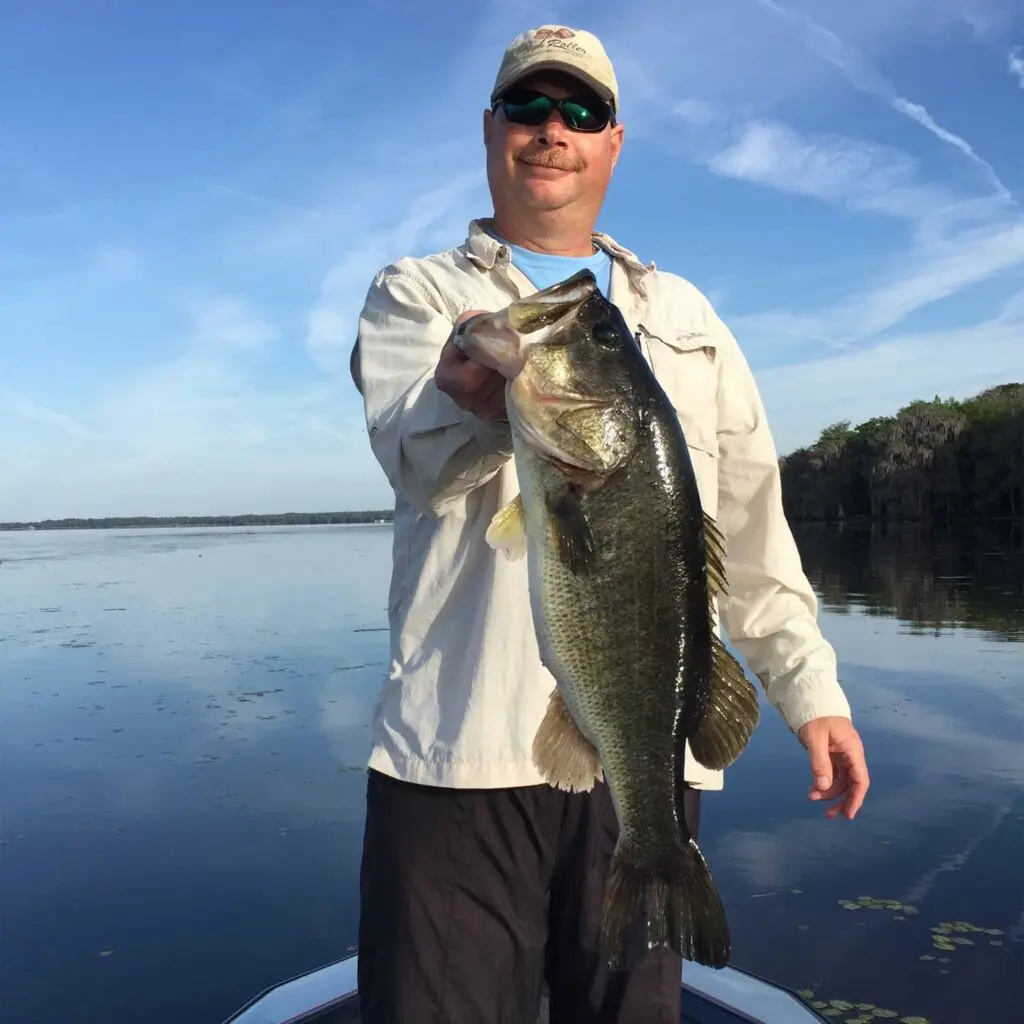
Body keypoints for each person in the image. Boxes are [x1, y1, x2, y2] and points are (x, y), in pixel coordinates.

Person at [350, 23, 870, 1024]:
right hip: (453, 762)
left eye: (580, 112)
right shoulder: (418, 296)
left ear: (613, 143)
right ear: (491, 129)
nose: (554, 130)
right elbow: (416, 465)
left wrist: (813, 694)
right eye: (530, 107)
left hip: (644, 772)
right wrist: (465, 400)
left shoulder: (684, 315)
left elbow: (753, 532)